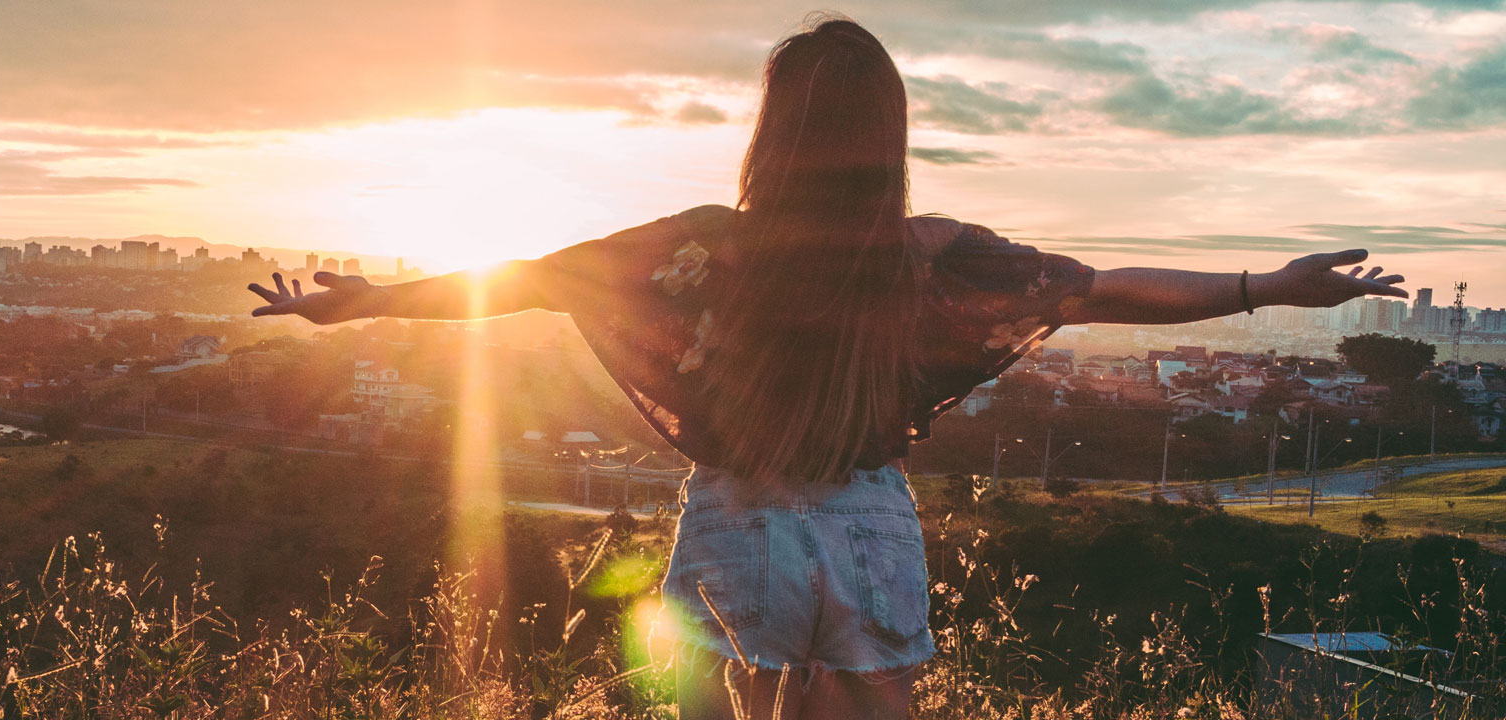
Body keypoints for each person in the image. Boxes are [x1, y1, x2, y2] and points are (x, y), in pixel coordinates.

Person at [245, 16, 1407, 719]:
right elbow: (1099, 290)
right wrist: (1266, 286)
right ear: (888, 135)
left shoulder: (707, 243)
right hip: (866, 525)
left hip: (735, 522)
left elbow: (534, 276)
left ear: (772, 132)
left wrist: (368, 305)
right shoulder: (929, 254)